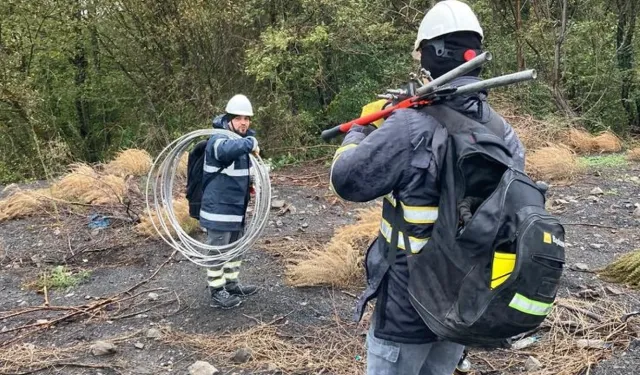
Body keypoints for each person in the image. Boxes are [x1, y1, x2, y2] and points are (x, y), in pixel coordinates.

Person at [329, 1, 526, 374]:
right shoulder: (504, 133)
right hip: (464, 301)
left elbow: (346, 180)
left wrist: (361, 129)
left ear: (433, 54)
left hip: (406, 304)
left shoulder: (408, 125)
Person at [200, 94, 260, 309]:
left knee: (236, 248)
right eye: (239, 118)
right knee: (217, 251)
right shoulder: (219, 139)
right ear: (228, 119)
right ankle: (217, 291)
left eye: (247, 118)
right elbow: (225, 152)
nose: (244, 122)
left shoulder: (241, 142)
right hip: (218, 208)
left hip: (236, 208)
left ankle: (232, 284)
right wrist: (251, 142)